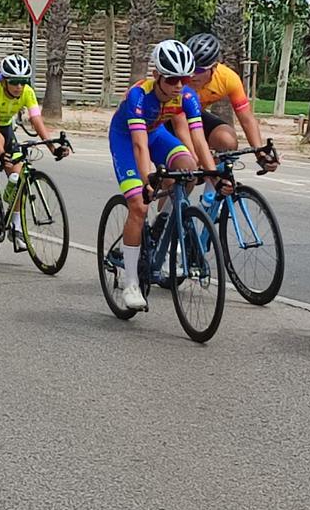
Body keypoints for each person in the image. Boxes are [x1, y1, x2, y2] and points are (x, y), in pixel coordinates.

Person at [109, 39, 226, 311]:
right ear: (157, 76)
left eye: (183, 79)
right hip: (127, 139)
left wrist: (213, 177)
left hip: (157, 134)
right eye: (172, 79)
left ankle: (163, 221)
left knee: (188, 169)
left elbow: (196, 138)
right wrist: (146, 181)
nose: (178, 86)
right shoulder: (139, 96)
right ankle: (131, 283)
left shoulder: (186, 96)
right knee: (138, 205)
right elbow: (139, 145)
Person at [0, 54, 70, 248]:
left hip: (5, 126)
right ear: (5, 81)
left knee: (17, 177)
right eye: (14, 81)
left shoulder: (27, 93)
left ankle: (15, 227)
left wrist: (52, 147)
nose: (19, 87)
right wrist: (1, 154)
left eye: (23, 82)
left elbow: (36, 121)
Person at [167, 32, 280, 171]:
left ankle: (212, 188)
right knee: (186, 163)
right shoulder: (178, 80)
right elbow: (180, 124)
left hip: (193, 117)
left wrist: (261, 154)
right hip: (166, 118)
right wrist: (196, 156)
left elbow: (246, 119)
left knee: (226, 139)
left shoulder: (228, 78)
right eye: (190, 68)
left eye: (199, 70)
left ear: (214, 67)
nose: (192, 75)